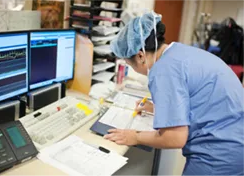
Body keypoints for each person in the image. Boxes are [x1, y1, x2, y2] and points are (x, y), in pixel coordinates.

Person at [104, 11, 244, 176]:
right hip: (236, 143)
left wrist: (135, 136)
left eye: (130, 64)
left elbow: (175, 138)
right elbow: (197, 98)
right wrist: (159, 108)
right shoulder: (179, 52)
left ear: (140, 56)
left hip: (218, 156)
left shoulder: (162, 71)